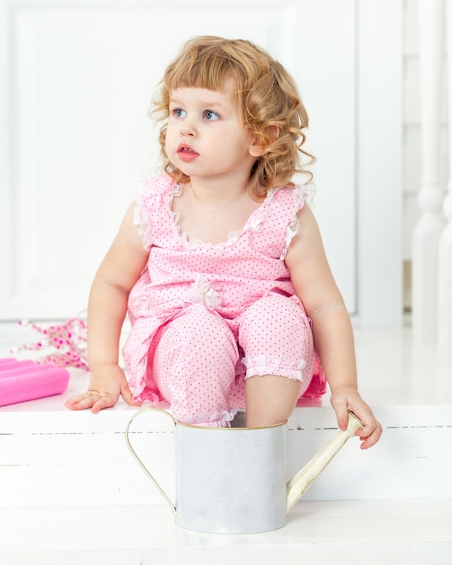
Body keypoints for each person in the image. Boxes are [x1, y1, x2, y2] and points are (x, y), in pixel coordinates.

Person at [65, 35, 382, 448]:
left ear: (261, 138)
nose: (187, 127)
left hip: (268, 368)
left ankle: (260, 448)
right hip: (183, 358)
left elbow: (324, 304)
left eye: (209, 114)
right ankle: (207, 452)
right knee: (198, 328)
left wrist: (344, 385)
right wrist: (104, 364)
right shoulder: (155, 206)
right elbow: (112, 283)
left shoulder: (284, 215)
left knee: (279, 313)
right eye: (178, 111)